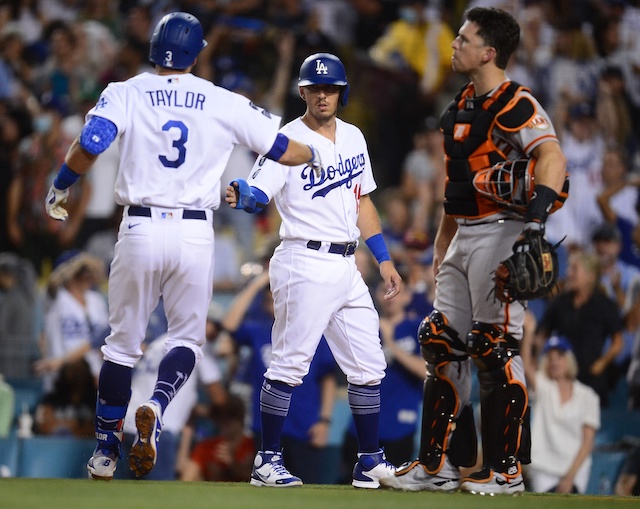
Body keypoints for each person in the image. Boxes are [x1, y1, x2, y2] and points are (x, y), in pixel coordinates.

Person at [42, 11, 324, 481]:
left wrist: (61, 185)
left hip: (140, 227)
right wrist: (312, 154)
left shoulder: (127, 90)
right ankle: (155, 403)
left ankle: (106, 448)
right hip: (195, 231)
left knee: (121, 346)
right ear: (197, 53)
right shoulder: (222, 99)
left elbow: (92, 141)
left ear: (154, 48)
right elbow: (284, 149)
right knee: (188, 339)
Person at [379, 7, 568, 495]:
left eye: (463, 39)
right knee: (442, 342)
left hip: (507, 229)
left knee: (494, 347)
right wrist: (444, 240)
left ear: (489, 52)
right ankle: (437, 465)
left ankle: (506, 471)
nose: (454, 44)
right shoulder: (461, 104)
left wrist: (534, 226)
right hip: (464, 231)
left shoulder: (515, 102)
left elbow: (551, 158)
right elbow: (459, 186)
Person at [225, 52, 403, 488]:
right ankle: (267, 460)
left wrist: (384, 258)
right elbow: (258, 192)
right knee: (289, 365)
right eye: (315, 88)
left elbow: (362, 201)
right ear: (302, 91)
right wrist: (243, 193)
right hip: (303, 259)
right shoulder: (285, 139)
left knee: (368, 364)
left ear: (341, 93)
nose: (323, 95)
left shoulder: (355, 137)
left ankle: (368, 460)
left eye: (331, 88)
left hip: (347, 263)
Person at [534, 249, 625, 407]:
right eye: (569, 268)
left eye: (574, 269)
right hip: (563, 379)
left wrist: (602, 364)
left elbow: (618, 343)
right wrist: (542, 361)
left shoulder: (604, 305)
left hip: (593, 381)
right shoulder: (559, 303)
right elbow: (543, 335)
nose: (569, 273)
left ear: (590, 276)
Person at [522, 335, 600, 494]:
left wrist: (570, 477)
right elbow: (526, 365)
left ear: (569, 360)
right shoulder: (544, 388)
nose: (555, 362)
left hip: (575, 471)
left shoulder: (588, 396)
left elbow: (587, 443)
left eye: (559, 357)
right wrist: (529, 333)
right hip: (543, 469)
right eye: (550, 358)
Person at [180, 394, 256, 482]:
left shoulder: (252, 446)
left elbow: (259, 477)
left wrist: (233, 464)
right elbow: (188, 478)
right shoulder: (207, 447)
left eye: (229, 417)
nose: (223, 422)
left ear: (240, 419)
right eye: (219, 416)